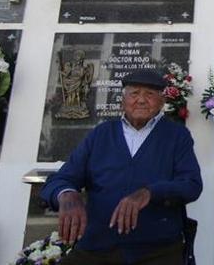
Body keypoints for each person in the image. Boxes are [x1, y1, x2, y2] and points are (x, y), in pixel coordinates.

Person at [41, 68, 202, 265]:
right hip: (96, 248)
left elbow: (191, 185)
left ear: (162, 102)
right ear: (122, 101)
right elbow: (61, 179)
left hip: (157, 251)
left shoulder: (177, 136)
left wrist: (150, 192)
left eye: (150, 95)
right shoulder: (101, 134)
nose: (141, 100)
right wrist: (66, 194)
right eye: (134, 93)